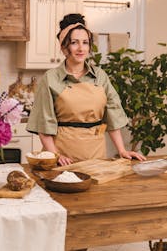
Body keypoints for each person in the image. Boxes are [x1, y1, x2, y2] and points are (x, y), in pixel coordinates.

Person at [26, 14, 146, 166]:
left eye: (85, 42)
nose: (81, 48)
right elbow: (43, 125)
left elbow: (112, 117)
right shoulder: (50, 79)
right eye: (74, 43)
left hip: (96, 155)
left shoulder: (100, 76)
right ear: (64, 47)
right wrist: (55, 155)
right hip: (62, 157)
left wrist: (122, 151)